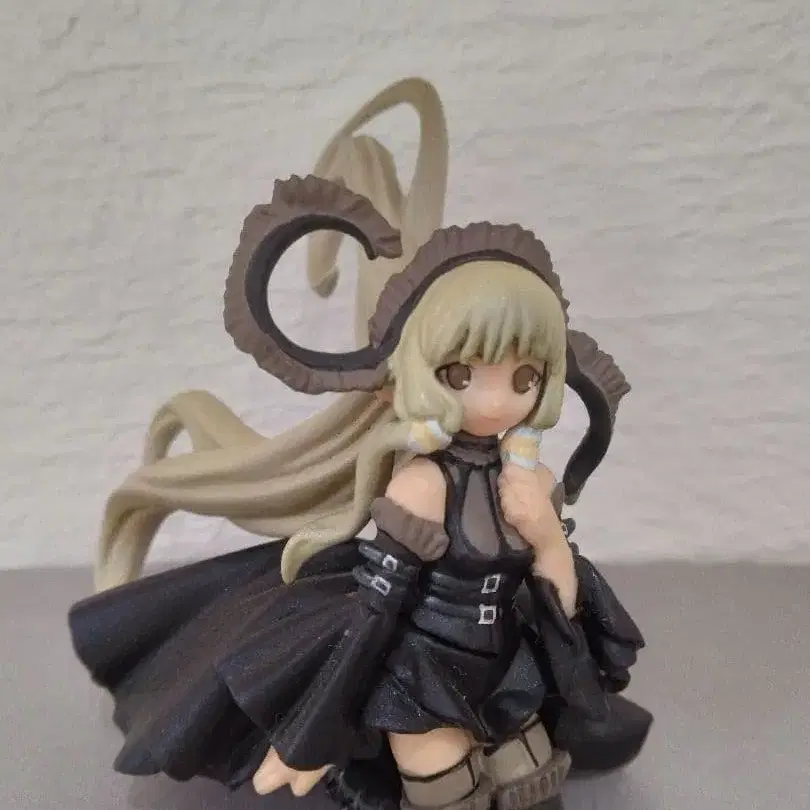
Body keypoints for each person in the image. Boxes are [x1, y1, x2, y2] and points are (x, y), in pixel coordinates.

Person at [68, 79, 652, 810]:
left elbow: (560, 603)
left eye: (525, 376)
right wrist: (309, 729)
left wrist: (549, 539)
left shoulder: (526, 482)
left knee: (533, 789)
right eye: (462, 374)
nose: (495, 398)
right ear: (418, 372)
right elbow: (373, 618)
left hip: (507, 679)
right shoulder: (421, 486)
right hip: (422, 685)